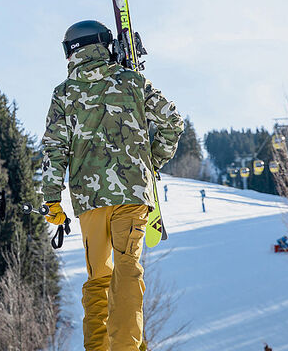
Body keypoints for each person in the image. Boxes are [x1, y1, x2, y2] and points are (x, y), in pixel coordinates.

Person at [41, 20, 184, 351]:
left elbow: (54, 149)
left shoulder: (63, 93)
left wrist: (51, 200)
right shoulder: (133, 82)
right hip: (133, 195)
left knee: (98, 281)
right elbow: (172, 122)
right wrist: (151, 162)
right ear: (104, 44)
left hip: (89, 201)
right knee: (128, 272)